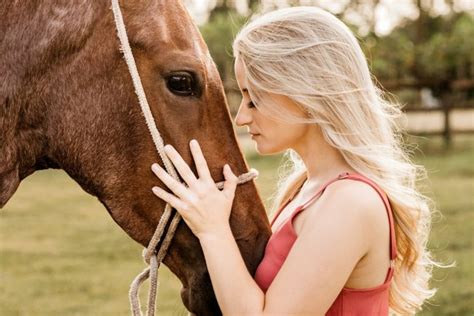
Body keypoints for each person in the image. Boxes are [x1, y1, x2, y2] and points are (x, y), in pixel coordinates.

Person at [150, 6, 439, 315]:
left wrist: (213, 229)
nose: (242, 116)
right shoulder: (308, 187)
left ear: (305, 92)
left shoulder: (352, 203)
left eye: (254, 99)